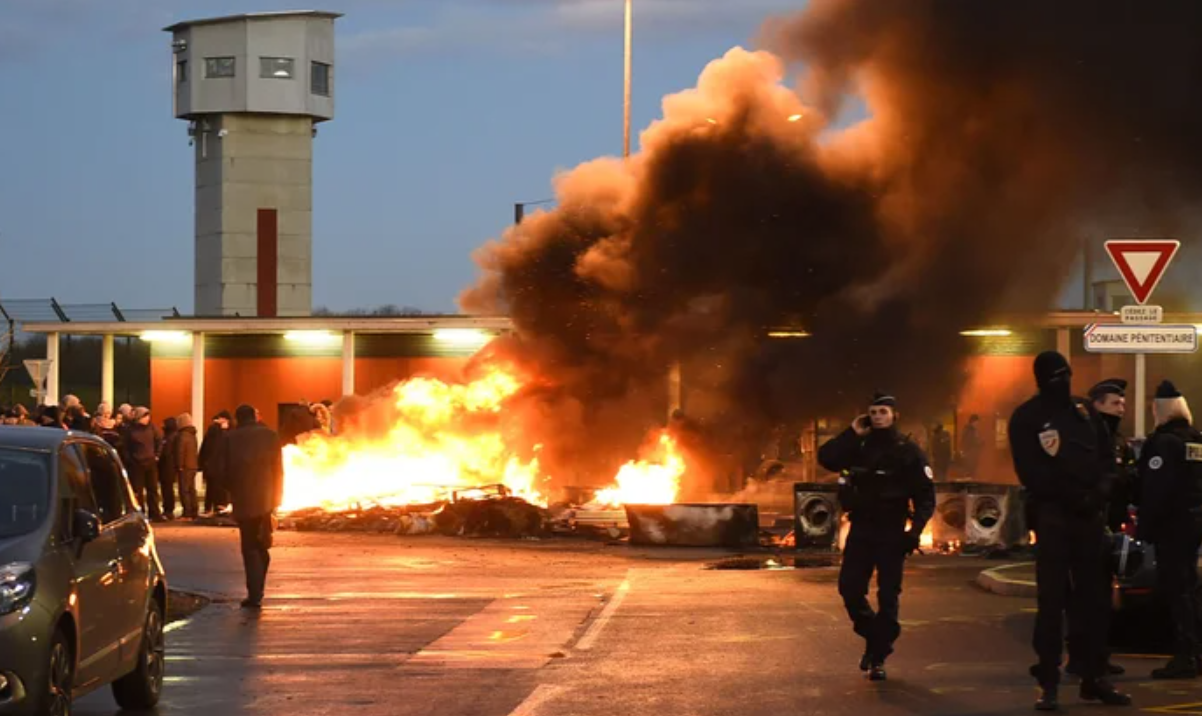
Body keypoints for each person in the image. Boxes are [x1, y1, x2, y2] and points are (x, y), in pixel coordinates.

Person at [1008, 351, 1130, 710]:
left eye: (1065, 374)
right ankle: (1049, 682)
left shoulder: (1084, 412)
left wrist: (1099, 494)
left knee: (1094, 603)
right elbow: (1030, 471)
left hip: (1089, 520)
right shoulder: (1027, 417)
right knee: (1052, 605)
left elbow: (1108, 461)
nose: (1062, 381)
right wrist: (1072, 498)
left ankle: (1094, 677)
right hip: (1054, 520)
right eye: (1055, 376)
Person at [817, 391, 935, 682]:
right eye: (873, 412)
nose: (878, 416)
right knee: (850, 589)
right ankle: (876, 639)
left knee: (888, 596)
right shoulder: (859, 446)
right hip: (862, 528)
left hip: (891, 530)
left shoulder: (908, 451)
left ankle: (878, 658)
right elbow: (827, 458)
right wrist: (852, 432)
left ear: (895, 415)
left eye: (883, 411)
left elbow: (925, 496)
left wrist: (915, 531)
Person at [1064, 378, 1134, 679]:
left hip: (1108, 527)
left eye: (1123, 403)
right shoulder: (1087, 435)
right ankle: (1079, 658)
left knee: (1103, 598)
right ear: (1098, 405)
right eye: (1115, 403)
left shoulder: (1118, 440)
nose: (1121, 408)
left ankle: (1099, 656)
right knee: (1082, 597)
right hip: (1084, 527)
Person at [1137, 380, 1202, 679]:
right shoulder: (1195, 439)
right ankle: (1195, 653)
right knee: (1191, 589)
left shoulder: (1163, 443)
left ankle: (1184, 656)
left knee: (1177, 591)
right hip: (1194, 525)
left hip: (1172, 527)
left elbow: (1155, 490)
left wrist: (1146, 528)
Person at [225, 404, 284, 609]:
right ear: (255, 417)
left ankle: (255, 592)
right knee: (262, 545)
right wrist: (277, 498)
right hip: (267, 500)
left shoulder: (230, 438)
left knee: (249, 547)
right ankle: (258, 588)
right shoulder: (270, 435)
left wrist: (232, 490)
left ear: (238, 419)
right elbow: (278, 469)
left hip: (243, 500)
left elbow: (220, 470)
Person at [126, 407, 164, 521]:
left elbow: (159, 441)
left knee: (152, 489)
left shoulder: (152, 428)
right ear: (138, 417)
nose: (147, 418)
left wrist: (157, 455)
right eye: (145, 416)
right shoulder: (130, 430)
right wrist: (131, 460)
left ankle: (155, 513)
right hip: (137, 464)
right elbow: (126, 447)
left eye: (148, 416)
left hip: (151, 462)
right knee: (138, 490)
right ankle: (140, 513)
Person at [199, 411, 232, 514]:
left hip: (214, 466)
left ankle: (210, 509)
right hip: (217, 467)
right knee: (217, 490)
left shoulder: (214, 431)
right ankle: (216, 509)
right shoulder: (215, 431)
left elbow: (204, 449)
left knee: (213, 489)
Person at [175, 413, 201, 520]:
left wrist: (179, 465)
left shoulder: (182, 436)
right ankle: (194, 511)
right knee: (191, 489)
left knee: (184, 490)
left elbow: (180, 451)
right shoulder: (192, 435)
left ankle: (187, 513)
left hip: (185, 466)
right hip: (193, 465)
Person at [158, 416, 179, 520]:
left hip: (168, 466)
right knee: (166, 488)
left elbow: (167, 452)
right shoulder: (169, 436)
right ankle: (167, 509)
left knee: (167, 489)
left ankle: (168, 509)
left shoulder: (170, 437)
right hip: (166, 466)